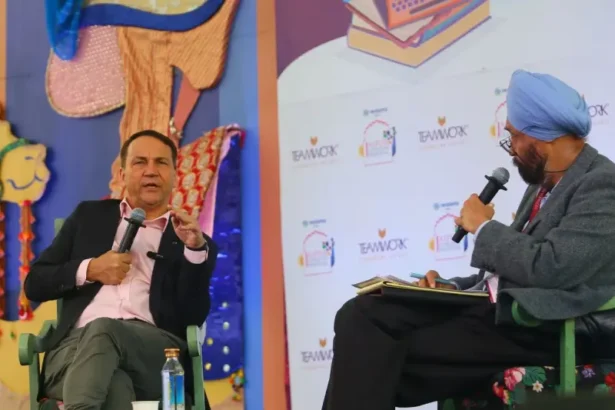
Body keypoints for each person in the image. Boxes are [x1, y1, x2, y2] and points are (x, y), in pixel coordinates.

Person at [321, 70, 615, 409]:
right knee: (361, 313)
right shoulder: (543, 185)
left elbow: (553, 267)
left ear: (541, 135)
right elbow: (510, 272)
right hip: (500, 313)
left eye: (513, 136)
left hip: (546, 327)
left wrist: (483, 228)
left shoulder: (601, 184)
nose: (511, 150)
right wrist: (452, 289)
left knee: (372, 354)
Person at [24, 129, 218, 410]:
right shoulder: (88, 217)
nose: (151, 171)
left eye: (161, 162)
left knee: (105, 330)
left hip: (153, 355)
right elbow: (35, 284)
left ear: (175, 175)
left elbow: (193, 315)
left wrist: (194, 251)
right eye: (140, 162)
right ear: (123, 173)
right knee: (113, 386)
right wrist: (91, 269)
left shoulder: (191, 240)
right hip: (73, 352)